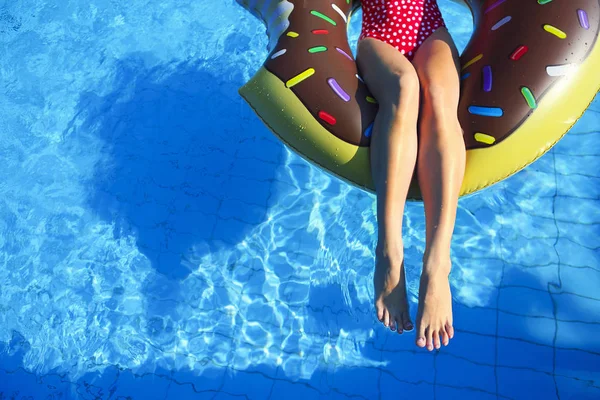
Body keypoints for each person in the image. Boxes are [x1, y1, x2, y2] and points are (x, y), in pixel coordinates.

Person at [356, 0, 466, 351]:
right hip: (379, 35)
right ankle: (389, 251)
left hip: (429, 28)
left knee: (438, 96)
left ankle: (438, 262)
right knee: (404, 87)